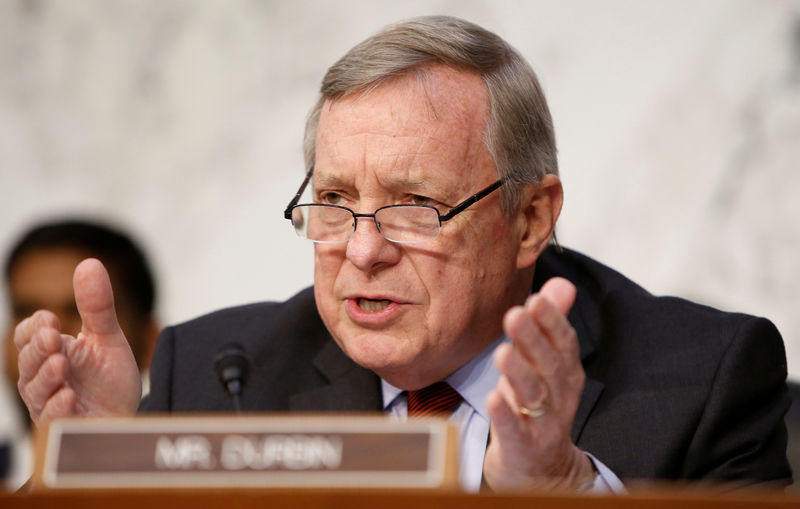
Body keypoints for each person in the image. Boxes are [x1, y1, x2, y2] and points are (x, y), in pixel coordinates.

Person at [11, 16, 791, 493]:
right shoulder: (217, 372)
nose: (362, 250)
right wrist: (97, 474)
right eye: (337, 201)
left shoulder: (704, 381)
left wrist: (562, 487)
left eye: (413, 207)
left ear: (530, 218)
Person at [2, 218, 158, 490]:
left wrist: (97, 448)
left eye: (77, 311)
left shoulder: (195, 478)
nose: (50, 335)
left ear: (150, 342)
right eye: (27, 312)